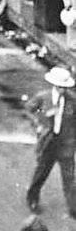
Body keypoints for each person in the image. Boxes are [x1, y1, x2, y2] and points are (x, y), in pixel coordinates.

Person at [26, 67, 76, 218]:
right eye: (60, 87)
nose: (62, 90)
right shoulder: (43, 97)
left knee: (69, 177)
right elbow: (29, 110)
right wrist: (38, 125)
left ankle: (73, 207)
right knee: (41, 173)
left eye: (65, 87)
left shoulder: (72, 100)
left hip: (66, 143)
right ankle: (32, 199)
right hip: (48, 142)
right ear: (54, 85)